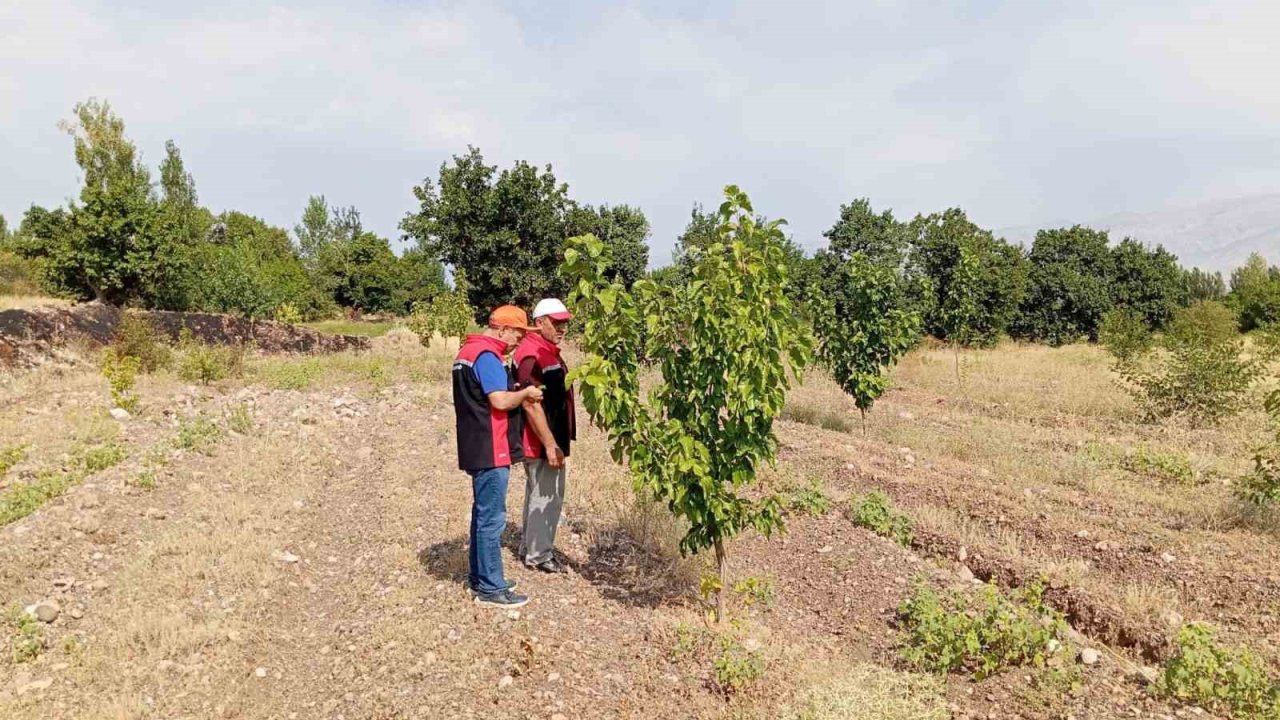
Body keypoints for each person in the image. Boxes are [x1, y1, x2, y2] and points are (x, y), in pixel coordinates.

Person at [452, 305, 542, 608]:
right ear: (502, 329)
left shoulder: (467, 352)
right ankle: (491, 588)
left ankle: (480, 578)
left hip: (474, 443)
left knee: (481, 515)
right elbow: (500, 400)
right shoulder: (487, 356)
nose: (519, 340)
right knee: (492, 519)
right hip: (492, 446)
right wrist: (526, 394)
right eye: (518, 333)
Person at [515, 298, 576, 574]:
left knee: (537, 492)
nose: (563, 327)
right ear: (540, 323)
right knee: (547, 496)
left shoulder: (544, 349)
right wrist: (550, 444)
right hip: (541, 439)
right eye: (557, 322)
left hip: (548, 437)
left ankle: (530, 548)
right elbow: (530, 402)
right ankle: (539, 555)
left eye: (565, 322)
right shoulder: (532, 353)